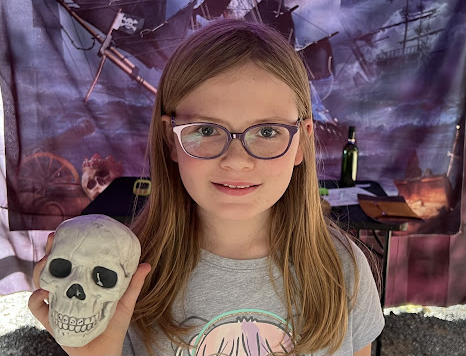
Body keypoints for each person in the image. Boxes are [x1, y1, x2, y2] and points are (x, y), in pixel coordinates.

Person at [29, 19, 385, 356]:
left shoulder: (343, 268)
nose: (236, 161)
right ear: (170, 138)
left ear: (301, 143)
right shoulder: (122, 277)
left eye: (267, 132)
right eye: (206, 130)